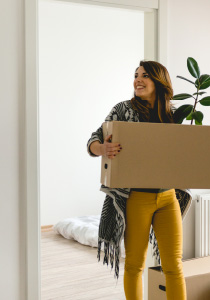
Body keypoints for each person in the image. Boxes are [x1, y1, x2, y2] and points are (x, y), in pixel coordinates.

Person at [86, 61, 190, 300]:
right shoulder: (122, 109)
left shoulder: (174, 114)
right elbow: (94, 139)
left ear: (159, 81)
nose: (137, 80)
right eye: (135, 75)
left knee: (174, 265)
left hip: (168, 197)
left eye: (145, 76)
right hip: (136, 199)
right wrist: (102, 148)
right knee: (135, 264)